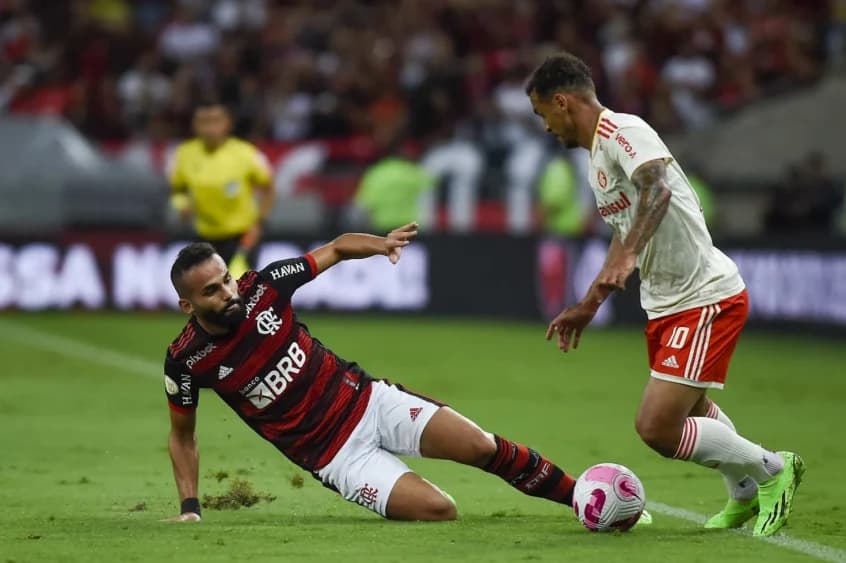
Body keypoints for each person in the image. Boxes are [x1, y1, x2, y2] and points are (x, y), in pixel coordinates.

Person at [526, 53, 804, 537]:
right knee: (694, 411)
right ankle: (743, 492)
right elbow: (624, 231)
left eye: (541, 112)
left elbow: (657, 191)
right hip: (666, 303)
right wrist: (590, 303)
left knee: (656, 427)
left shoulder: (624, 131)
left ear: (562, 102)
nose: (544, 126)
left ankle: (774, 470)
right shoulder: (597, 160)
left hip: (704, 296)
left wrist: (630, 254)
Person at [162, 224, 589, 522]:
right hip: (337, 457)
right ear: (187, 305)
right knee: (440, 510)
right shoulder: (187, 360)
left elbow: (337, 248)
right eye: (212, 291)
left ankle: (584, 498)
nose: (228, 292)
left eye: (227, 279)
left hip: (370, 402)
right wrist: (190, 507)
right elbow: (182, 436)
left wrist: (382, 244)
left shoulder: (266, 287)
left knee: (481, 446)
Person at [168, 100, 275, 276]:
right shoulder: (184, 154)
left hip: (241, 235)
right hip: (205, 237)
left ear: (228, 123)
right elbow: (178, 189)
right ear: (194, 124)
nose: (210, 128)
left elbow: (268, 189)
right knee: (211, 287)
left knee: (240, 285)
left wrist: (259, 223)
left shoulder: (246, 153)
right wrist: (182, 204)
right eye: (203, 122)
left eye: (216, 121)